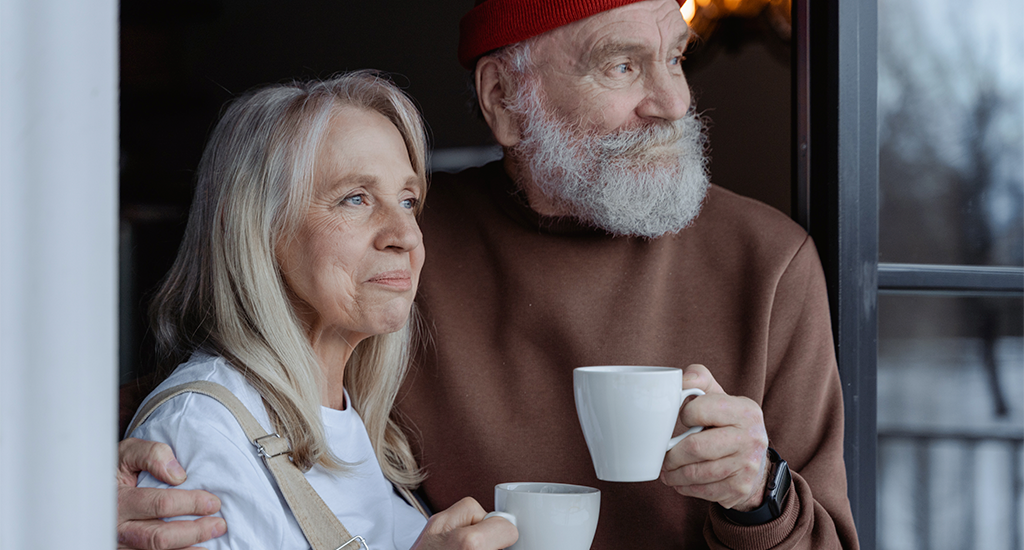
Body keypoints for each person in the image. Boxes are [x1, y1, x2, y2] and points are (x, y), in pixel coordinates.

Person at [118, 1, 861, 548]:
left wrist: (758, 497)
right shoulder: (397, 253)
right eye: (623, 64)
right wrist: (78, 488)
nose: (673, 102)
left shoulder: (769, 261)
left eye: (674, 58)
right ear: (505, 101)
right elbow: (218, 391)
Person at [119, 71, 518, 550]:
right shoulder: (201, 434)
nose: (406, 235)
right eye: (355, 198)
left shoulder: (350, 423)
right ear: (258, 228)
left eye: (408, 201)